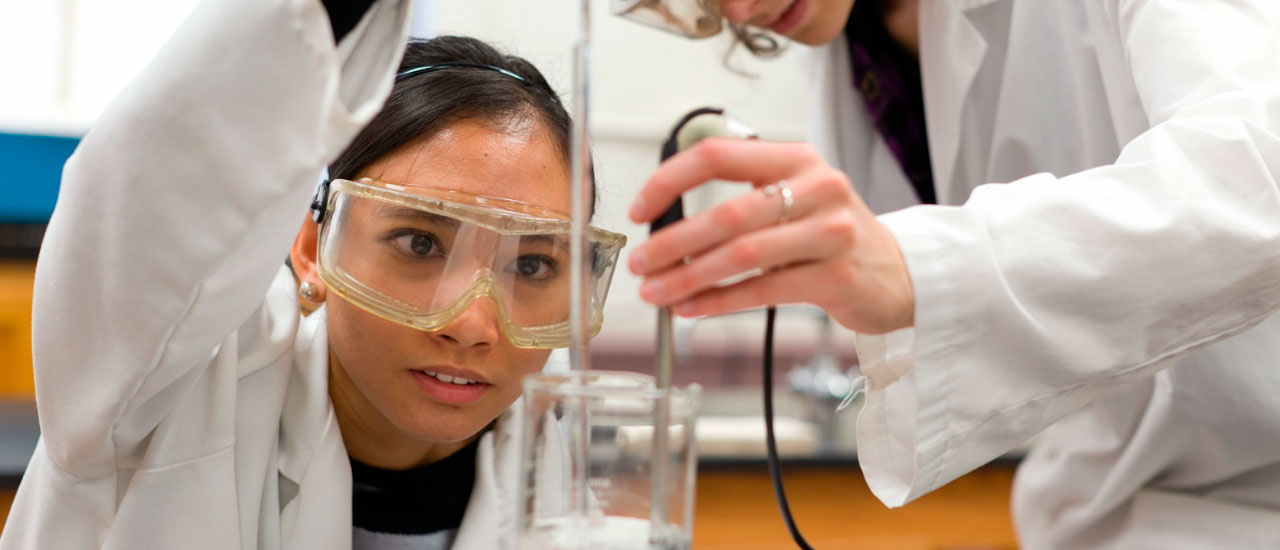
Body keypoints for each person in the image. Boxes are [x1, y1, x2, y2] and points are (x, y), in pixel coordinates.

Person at [626, 0, 1280, 547]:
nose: (743, 9)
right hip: (1104, 512)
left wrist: (918, 270)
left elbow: (1259, 179)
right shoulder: (849, 50)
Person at [0, 2, 624, 549]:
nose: (471, 324)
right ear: (310, 248)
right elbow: (147, 201)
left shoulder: (562, 467)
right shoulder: (178, 390)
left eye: (533, 264)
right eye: (420, 242)